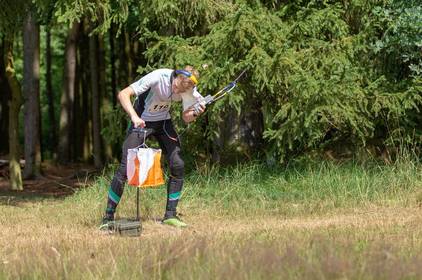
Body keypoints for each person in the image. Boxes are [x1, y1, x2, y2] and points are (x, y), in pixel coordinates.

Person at [100, 66, 205, 229]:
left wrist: (197, 112)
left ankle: (170, 215)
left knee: (178, 164)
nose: (177, 90)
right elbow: (123, 94)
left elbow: (186, 118)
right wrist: (134, 117)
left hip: (163, 123)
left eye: (182, 89)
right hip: (141, 121)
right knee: (125, 169)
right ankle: (107, 218)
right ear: (176, 76)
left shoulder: (189, 90)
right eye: (176, 85)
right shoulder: (158, 77)